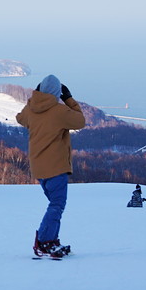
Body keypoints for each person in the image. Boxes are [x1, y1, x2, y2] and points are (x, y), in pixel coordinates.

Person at [16, 74, 86, 258]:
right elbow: (81, 121)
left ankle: (51, 239)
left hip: (38, 167)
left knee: (54, 204)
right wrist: (69, 99)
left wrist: (34, 98)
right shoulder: (59, 111)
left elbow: (20, 118)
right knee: (57, 204)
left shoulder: (31, 110)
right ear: (57, 93)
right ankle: (44, 241)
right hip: (56, 166)